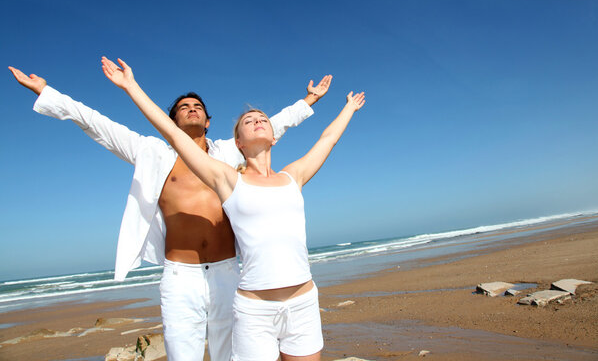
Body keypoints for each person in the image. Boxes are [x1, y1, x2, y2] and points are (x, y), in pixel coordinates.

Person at [8, 64, 332, 361]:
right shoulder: (150, 152)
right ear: (173, 121)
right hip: (180, 277)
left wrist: (308, 101)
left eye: (198, 108)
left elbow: (270, 126)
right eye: (183, 108)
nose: (191, 110)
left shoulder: (228, 153)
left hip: (229, 272)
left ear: (208, 121)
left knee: (231, 354)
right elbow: (96, 123)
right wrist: (46, 93)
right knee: (183, 354)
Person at [102, 57, 365, 361]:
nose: (257, 120)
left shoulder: (293, 175)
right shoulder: (228, 180)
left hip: (303, 301)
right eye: (248, 120)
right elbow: (172, 134)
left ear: (274, 136)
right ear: (237, 142)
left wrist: (347, 107)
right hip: (253, 308)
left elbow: (327, 140)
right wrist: (131, 87)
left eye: (263, 118)